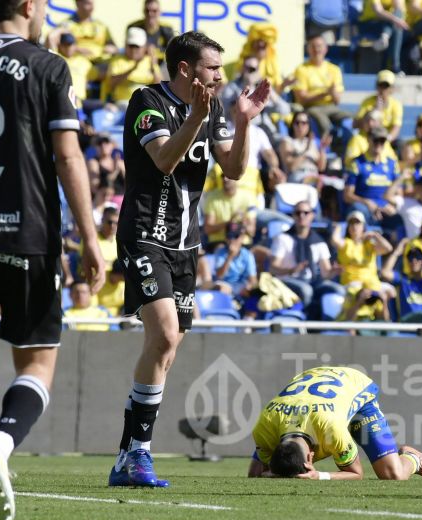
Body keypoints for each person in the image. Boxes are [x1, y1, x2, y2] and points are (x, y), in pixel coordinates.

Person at [0, 0, 106, 520]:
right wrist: (90, 238)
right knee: (38, 363)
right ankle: (1, 441)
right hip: (29, 236)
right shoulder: (48, 65)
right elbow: (67, 156)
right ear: (26, 5)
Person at [110, 31, 270, 488]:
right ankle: (139, 452)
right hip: (145, 235)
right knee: (162, 334)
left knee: (167, 348)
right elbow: (163, 159)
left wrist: (243, 122)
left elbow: (235, 170)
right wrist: (196, 117)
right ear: (186, 69)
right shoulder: (146, 101)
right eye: (212, 68)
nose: (220, 76)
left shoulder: (215, 106)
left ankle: (127, 455)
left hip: (186, 245)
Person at [248, 366, 422, 481]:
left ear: (310, 458)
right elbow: (257, 474)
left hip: (357, 387)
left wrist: (320, 475)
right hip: (315, 383)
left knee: (393, 475)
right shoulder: (264, 427)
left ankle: (414, 459)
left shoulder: (332, 431)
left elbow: (356, 473)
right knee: (258, 474)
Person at [269, 201, 344, 315]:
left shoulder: (319, 242)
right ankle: (307, 325)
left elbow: (326, 273)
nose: (301, 216)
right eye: (298, 213)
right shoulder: (282, 238)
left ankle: (332, 325)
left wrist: (334, 271)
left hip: (311, 281)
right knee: (306, 290)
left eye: (306, 212)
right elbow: (272, 268)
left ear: (312, 215)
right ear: (293, 216)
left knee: (339, 290)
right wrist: (291, 270)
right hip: (287, 280)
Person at [330, 211, 394, 322]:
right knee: (358, 294)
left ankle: (386, 322)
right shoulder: (346, 243)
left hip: (372, 283)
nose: (354, 226)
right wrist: (339, 226)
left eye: (358, 223)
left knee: (390, 292)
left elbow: (388, 248)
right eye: (351, 223)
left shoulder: (369, 245)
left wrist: (375, 235)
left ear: (363, 226)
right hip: (352, 283)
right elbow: (334, 240)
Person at [291, 34, 351, 136]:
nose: (316, 49)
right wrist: (325, 93)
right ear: (308, 49)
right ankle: (326, 148)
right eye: (313, 46)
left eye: (319, 46)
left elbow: (337, 101)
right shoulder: (301, 70)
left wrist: (332, 93)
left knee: (350, 118)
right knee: (323, 123)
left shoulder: (334, 70)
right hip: (311, 108)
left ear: (325, 49)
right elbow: (302, 99)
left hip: (331, 107)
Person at [343, 126, 401, 225]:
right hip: (365, 208)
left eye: (382, 141)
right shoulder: (357, 164)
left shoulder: (392, 164)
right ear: (368, 140)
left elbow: (399, 193)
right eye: (376, 140)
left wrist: (393, 205)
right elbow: (347, 195)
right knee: (358, 210)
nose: (379, 144)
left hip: (386, 208)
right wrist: (367, 203)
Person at [102, 27, 161, 106]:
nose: (134, 50)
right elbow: (111, 83)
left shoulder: (150, 61)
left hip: (146, 103)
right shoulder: (117, 60)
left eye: (137, 46)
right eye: (131, 46)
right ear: (125, 44)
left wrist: (153, 65)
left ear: (144, 47)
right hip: (123, 104)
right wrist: (132, 69)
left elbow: (159, 86)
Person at [357, 0, 409, 74]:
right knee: (396, 26)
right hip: (368, 23)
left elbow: (399, 9)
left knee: (396, 27)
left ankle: (384, 36)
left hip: (387, 24)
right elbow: (379, 12)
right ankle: (395, 67)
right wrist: (397, 20)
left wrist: (396, 20)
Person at [279, 110, 330, 184]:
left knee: (337, 185)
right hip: (297, 176)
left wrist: (323, 148)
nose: (300, 126)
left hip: (314, 175)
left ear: (308, 126)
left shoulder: (312, 143)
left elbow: (321, 167)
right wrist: (306, 151)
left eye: (304, 123)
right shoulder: (287, 141)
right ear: (293, 125)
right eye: (297, 123)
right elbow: (291, 167)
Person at [355, 70, 404, 141]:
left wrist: (385, 140)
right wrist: (374, 112)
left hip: (384, 140)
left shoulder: (396, 105)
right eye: (381, 85)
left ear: (392, 88)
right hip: (366, 138)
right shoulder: (367, 102)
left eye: (386, 86)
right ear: (376, 86)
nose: (383, 90)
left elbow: (396, 128)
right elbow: (356, 124)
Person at [127, 0, 176, 65]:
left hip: (161, 64)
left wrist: (155, 52)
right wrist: (144, 50)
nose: (150, 14)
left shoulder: (167, 29)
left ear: (159, 12)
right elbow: (128, 51)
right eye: (147, 11)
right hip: (139, 64)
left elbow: (173, 52)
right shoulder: (134, 27)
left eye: (154, 11)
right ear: (143, 11)